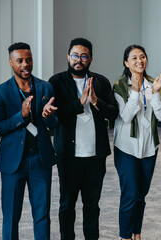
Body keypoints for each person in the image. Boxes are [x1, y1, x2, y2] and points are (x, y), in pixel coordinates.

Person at [49, 38, 118, 240]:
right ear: (68, 57)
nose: (79, 60)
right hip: (68, 156)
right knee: (67, 204)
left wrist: (96, 101)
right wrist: (79, 103)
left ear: (91, 59)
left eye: (84, 56)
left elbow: (113, 114)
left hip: (95, 156)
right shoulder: (56, 82)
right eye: (75, 55)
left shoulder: (101, 81)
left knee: (92, 205)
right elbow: (56, 116)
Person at [0, 42, 58, 240]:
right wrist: (21, 116)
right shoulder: (0, 91)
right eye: (19, 60)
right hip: (13, 163)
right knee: (11, 217)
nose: (25, 64)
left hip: (40, 159)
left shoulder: (45, 87)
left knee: (42, 215)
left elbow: (54, 125)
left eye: (28, 59)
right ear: (11, 63)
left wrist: (47, 116)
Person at [113, 45, 161, 240]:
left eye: (142, 57)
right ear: (126, 63)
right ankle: (125, 236)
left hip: (149, 148)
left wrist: (157, 94)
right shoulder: (120, 86)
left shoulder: (153, 84)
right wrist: (135, 92)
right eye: (134, 58)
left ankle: (137, 234)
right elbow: (126, 117)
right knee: (129, 195)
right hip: (126, 148)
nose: (139, 61)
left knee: (141, 196)